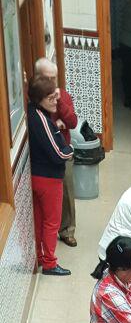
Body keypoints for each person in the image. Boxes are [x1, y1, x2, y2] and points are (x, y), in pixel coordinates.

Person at [27, 75, 73, 277]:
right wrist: (70, 149)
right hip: (48, 179)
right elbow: (59, 154)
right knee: (52, 222)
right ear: (39, 99)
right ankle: (49, 263)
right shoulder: (41, 119)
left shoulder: (33, 112)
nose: (55, 101)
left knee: (40, 220)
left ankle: (40, 257)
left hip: (37, 176)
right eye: (51, 98)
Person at [34, 57, 77, 249]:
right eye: (47, 78)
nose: (52, 82)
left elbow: (72, 122)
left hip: (62, 152)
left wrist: (59, 103)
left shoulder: (62, 95)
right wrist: (55, 126)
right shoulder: (34, 98)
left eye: (54, 78)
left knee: (67, 192)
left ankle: (67, 230)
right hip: (41, 158)